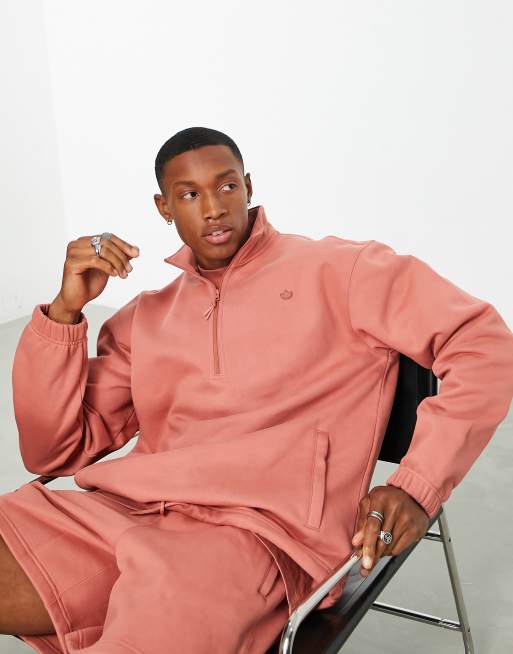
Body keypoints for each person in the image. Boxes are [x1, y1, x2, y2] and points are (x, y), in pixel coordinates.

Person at [1, 126, 512, 654]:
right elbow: (53, 452)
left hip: (256, 537)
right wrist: (64, 313)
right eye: (190, 194)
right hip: (124, 513)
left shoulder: (343, 271)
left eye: (226, 186)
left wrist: (416, 485)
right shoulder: (144, 318)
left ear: (248, 186)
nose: (214, 208)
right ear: (164, 207)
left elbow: (483, 341)